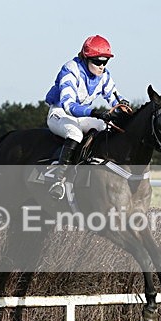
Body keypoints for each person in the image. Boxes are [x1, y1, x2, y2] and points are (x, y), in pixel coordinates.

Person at [44, 34, 129, 199]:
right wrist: (94, 112)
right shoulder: (70, 70)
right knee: (75, 133)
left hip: (81, 115)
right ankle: (58, 181)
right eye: (97, 61)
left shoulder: (104, 76)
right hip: (60, 113)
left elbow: (114, 97)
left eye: (105, 62)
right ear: (86, 58)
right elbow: (68, 106)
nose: (102, 66)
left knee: (106, 127)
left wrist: (123, 107)